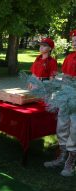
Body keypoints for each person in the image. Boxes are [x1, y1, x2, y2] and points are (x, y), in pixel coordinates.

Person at [44, 30, 76, 176]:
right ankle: (62, 155)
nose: (73, 41)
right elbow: (65, 77)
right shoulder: (69, 57)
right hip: (66, 93)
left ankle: (71, 160)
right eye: (73, 38)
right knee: (62, 124)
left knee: (74, 127)